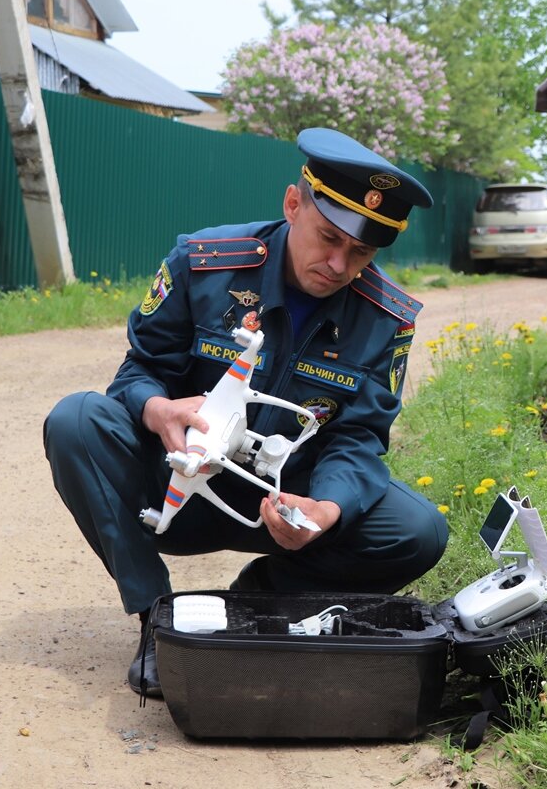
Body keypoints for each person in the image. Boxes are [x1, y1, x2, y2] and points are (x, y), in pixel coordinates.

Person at [43, 127, 449, 697]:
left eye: (360, 252)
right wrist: (157, 409)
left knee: (418, 530)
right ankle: (161, 623)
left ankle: (259, 600)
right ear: (292, 204)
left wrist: (326, 510)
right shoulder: (204, 263)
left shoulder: (387, 318)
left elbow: (358, 438)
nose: (338, 263)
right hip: (180, 483)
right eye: (328, 237)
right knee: (75, 421)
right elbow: (137, 371)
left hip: (283, 500)